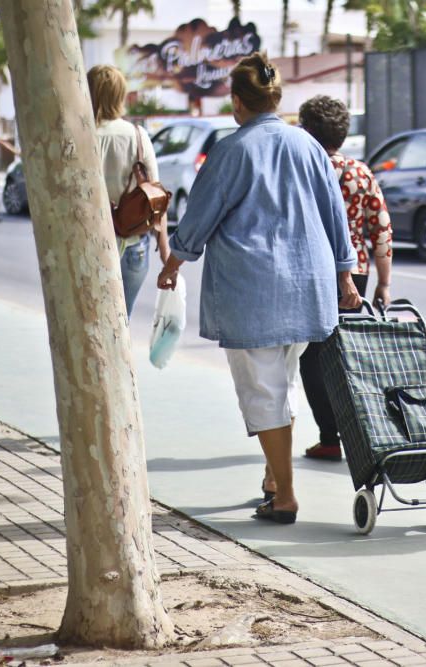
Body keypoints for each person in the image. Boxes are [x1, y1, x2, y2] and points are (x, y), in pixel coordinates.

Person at [156, 53, 361, 525]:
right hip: (308, 287)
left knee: (263, 392)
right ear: (275, 97)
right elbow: (336, 215)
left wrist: (173, 263)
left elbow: (199, 217)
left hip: (253, 292)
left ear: (236, 101)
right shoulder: (309, 146)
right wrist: (345, 274)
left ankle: (285, 495)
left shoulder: (232, 150)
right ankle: (274, 479)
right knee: (281, 386)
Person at [297, 95, 394, 462]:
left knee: (312, 358)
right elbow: (381, 231)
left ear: (306, 129)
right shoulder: (359, 172)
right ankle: (360, 428)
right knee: (349, 355)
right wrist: (384, 282)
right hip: (356, 273)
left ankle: (329, 436)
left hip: (308, 269)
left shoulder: (300, 170)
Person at [86, 64, 171, 317]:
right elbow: (156, 197)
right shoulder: (137, 135)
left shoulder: (81, 135)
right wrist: (165, 253)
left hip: (91, 245)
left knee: (92, 321)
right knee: (122, 323)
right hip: (134, 246)